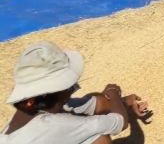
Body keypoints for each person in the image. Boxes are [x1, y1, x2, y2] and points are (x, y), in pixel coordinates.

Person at [1, 41, 151, 144]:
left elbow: (95, 104)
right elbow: (119, 122)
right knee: (98, 139)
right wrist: (113, 93)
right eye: (70, 87)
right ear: (58, 91)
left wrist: (125, 102)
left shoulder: (36, 108)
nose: (72, 90)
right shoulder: (55, 125)